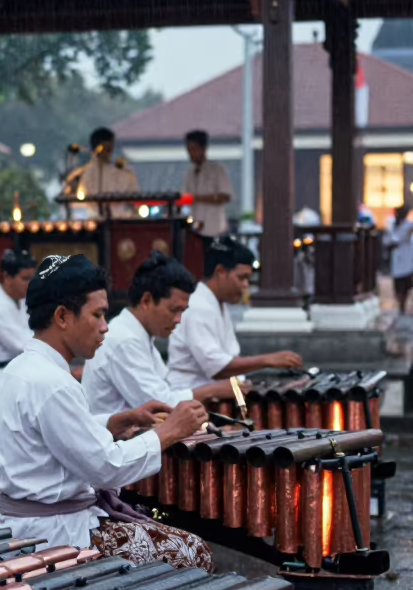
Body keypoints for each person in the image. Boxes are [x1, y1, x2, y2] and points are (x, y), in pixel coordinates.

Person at [0, 253, 213, 569]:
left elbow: (55, 434)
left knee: (175, 538)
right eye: (98, 315)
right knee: (194, 552)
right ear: (63, 316)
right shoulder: (53, 383)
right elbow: (107, 467)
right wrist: (168, 432)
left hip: (34, 524)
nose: (105, 327)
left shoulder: (22, 368)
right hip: (55, 537)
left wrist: (115, 420)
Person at [82, 251, 240, 415]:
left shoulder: (139, 334)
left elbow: (166, 389)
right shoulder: (124, 340)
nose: (178, 319)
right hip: (116, 438)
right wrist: (212, 390)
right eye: (174, 310)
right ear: (146, 301)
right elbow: (159, 405)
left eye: (182, 311)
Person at [167, 236, 302, 392]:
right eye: (242, 278)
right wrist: (267, 360)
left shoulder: (216, 303)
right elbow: (217, 368)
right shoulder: (198, 306)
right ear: (220, 272)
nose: (245, 285)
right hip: (191, 397)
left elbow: (227, 359)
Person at [61, 126, 139, 217]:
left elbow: (134, 200)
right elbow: (70, 202)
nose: (109, 152)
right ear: (97, 148)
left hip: (122, 221)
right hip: (93, 222)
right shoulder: (80, 175)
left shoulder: (125, 174)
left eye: (110, 148)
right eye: (106, 148)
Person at [182, 130, 232, 241]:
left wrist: (198, 198)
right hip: (195, 227)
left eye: (194, 149)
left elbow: (225, 196)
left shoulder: (217, 170)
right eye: (189, 150)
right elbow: (184, 197)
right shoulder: (189, 173)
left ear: (203, 149)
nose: (191, 154)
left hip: (215, 228)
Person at [389, 204, 413, 313]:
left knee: (406, 284)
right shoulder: (392, 224)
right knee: (398, 284)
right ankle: (400, 304)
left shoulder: (409, 226)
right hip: (398, 259)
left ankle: (403, 303)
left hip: (408, 259)